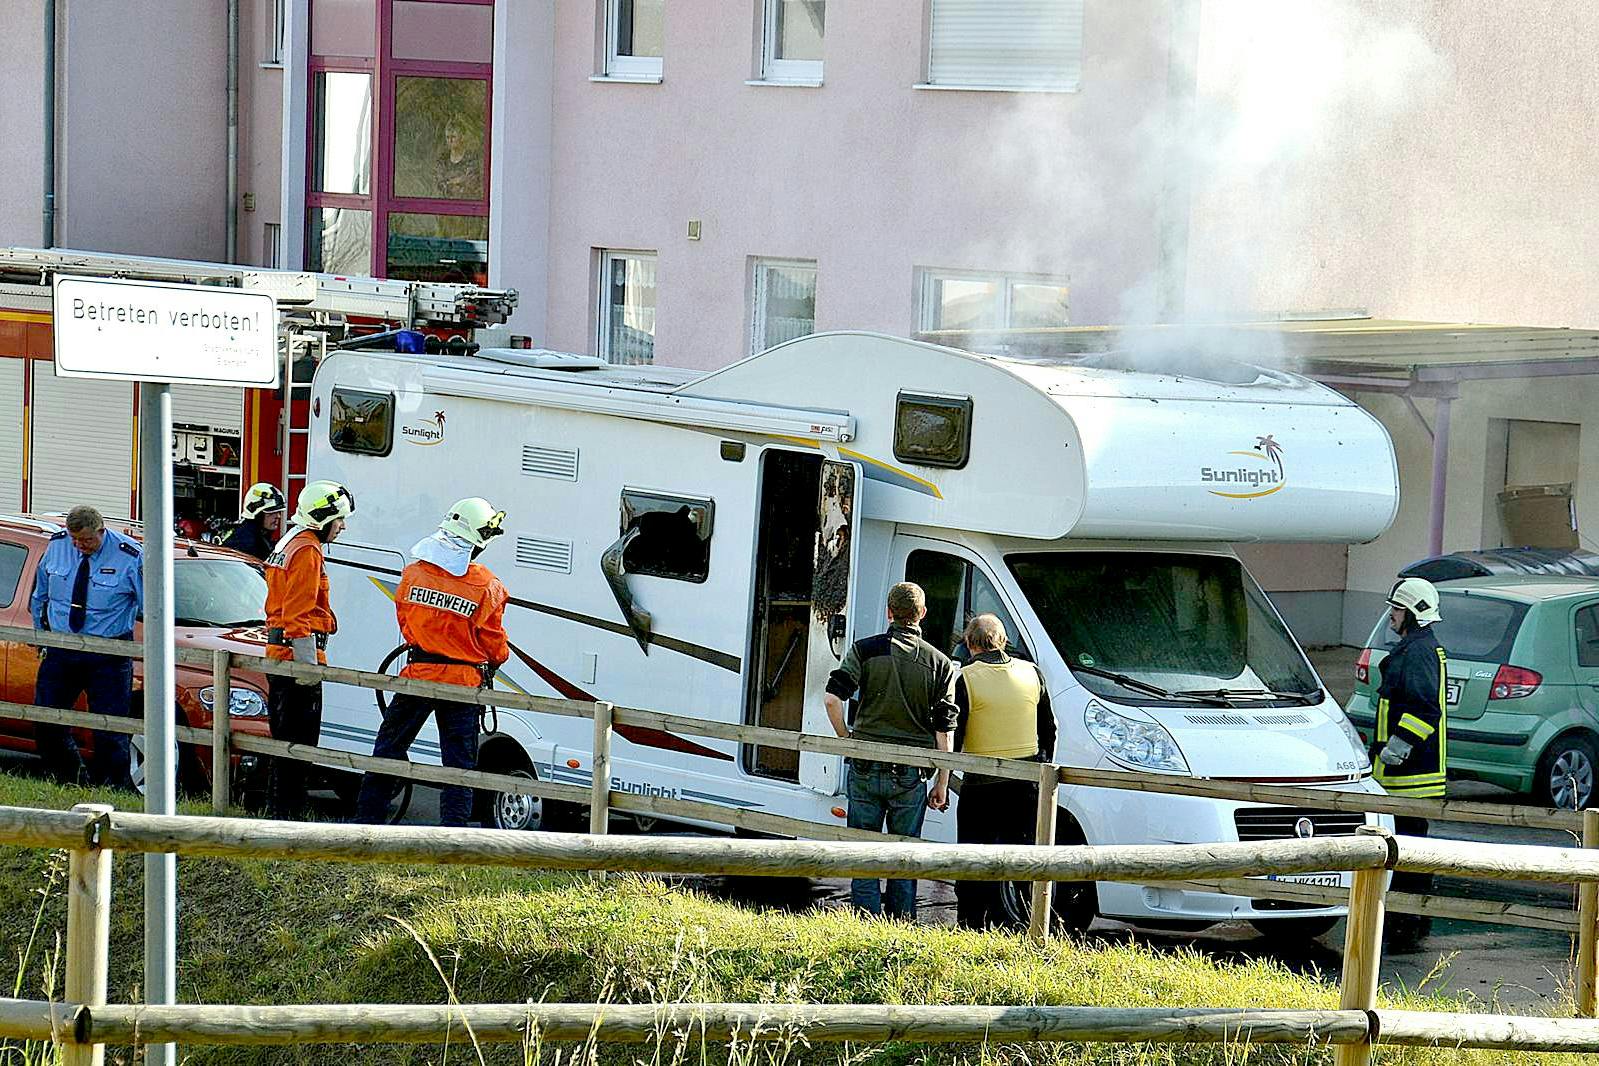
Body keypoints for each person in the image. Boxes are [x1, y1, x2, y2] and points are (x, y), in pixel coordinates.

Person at [355, 498, 509, 828]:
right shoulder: (488, 586)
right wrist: (493, 660)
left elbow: (405, 621)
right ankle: (453, 836)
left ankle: (366, 824)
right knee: (459, 766)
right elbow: (494, 643)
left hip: (418, 675)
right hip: (462, 685)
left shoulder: (413, 574)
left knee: (388, 750)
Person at [824, 581, 958, 920]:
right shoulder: (940, 663)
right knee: (905, 856)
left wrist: (846, 739)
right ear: (922, 614)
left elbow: (831, 699)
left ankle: (865, 923)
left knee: (864, 854)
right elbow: (944, 732)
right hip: (910, 775)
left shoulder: (864, 650)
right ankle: (901, 925)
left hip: (866, 767)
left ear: (889, 612)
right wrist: (942, 783)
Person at [951, 613, 1056, 930]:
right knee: (1023, 860)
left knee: (973, 860)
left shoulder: (966, 678)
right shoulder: (1032, 673)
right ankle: (1029, 926)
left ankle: (971, 926)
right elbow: (1049, 730)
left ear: (969, 644)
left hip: (980, 787)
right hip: (1025, 785)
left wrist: (945, 776)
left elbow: (956, 735)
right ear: (1003, 641)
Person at [29, 505, 143, 788]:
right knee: (47, 719)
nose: (80, 546)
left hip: (109, 653)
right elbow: (40, 595)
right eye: (75, 540)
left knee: (109, 728)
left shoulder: (130, 556)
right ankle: (69, 779)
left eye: (87, 540)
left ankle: (113, 788)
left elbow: (153, 607)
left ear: (101, 531)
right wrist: (42, 637)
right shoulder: (58, 546)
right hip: (61, 648)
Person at [263, 480, 355, 819]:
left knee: (284, 746)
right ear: (323, 517)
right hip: (296, 657)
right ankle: (289, 821)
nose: (342, 526)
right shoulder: (307, 550)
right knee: (299, 749)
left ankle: (278, 816)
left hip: (280, 655)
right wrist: (307, 670)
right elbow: (297, 614)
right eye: (339, 519)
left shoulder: (290, 541)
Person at [1373, 575, 1448, 947]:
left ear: (1414, 613)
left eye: (1397, 609)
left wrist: (1397, 748)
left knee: (1406, 853)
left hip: (1411, 775)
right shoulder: (1418, 647)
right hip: (1409, 774)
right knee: (1409, 850)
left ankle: (1407, 924)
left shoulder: (1417, 651)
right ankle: (1409, 922)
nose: (1391, 615)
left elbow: (1424, 709)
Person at [222, 482, 287, 561]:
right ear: (257, 515)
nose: (278, 516)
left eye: (279, 512)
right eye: (271, 512)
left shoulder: (258, 537)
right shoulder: (244, 543)